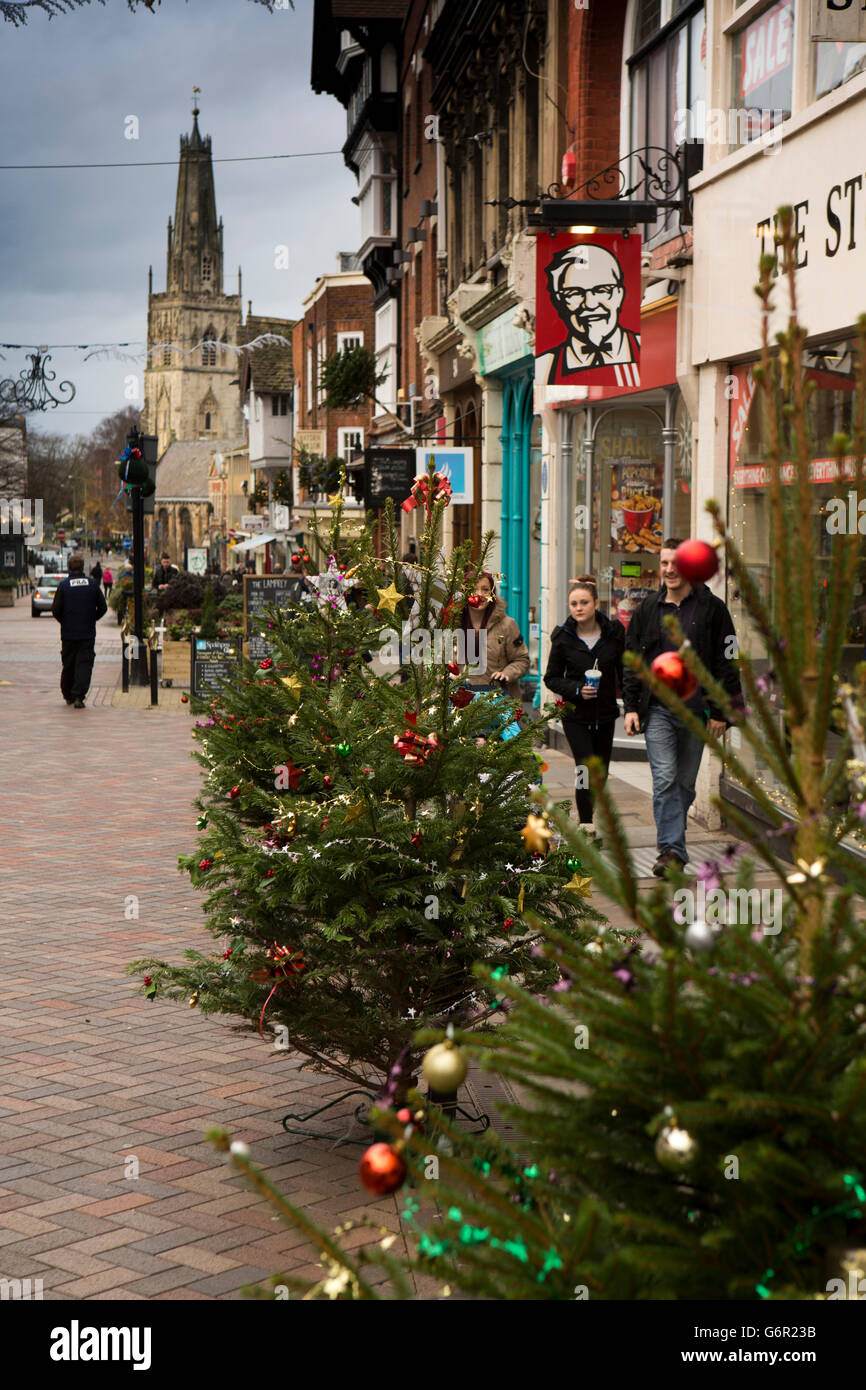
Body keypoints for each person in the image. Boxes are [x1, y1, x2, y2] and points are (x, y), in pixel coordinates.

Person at [623, 538, 742, 876]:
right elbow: (631, 660)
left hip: (697, 711)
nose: (669, 569)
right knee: (664, 779)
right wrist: (631, 707)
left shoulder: (713, 609)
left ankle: (673, 835)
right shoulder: (648, 609)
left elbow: (728, 660)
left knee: (684, 785)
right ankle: (671, 852)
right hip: (658, 709)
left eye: (676, 563)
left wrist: (721, 711)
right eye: (664, 563)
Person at [544, 576, 624, 840]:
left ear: (596, 604)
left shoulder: (613, 633)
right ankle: (586, 821)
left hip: (605, 715)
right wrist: (577, 689)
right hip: (575, 716)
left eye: (584, 602)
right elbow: (551, 678)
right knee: (584, 768)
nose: (578, 608)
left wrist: (633, 705)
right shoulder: (563, 637)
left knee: (600, 772)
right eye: (574, 604)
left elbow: (624, 671)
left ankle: (593, 810)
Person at [537, 242, 640, 386]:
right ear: (559, 301)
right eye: (574, 293)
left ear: (619, 294)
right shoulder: (545, 367)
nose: (590, 304)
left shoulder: (644, 348)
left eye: (602, 290)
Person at [459, 570, 529, 700]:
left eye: (485, 590)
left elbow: (521, 660)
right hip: (459, 701)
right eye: (473, 589)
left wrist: (507, 674)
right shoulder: (452, 624)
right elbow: (436, 662)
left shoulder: (507, 625)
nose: (479, 594)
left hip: (498, 700)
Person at [51, 552, 108, 708]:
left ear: (69, 568)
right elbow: (103, 607)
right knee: (84, 664)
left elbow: (55, 609)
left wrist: (65, 621)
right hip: (87, 633)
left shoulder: (63, 586)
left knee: (68, 664)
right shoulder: (92, 584)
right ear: (83, 567)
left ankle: (67, 693)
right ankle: (78, 696)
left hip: (68, 633)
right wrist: (92, 619)